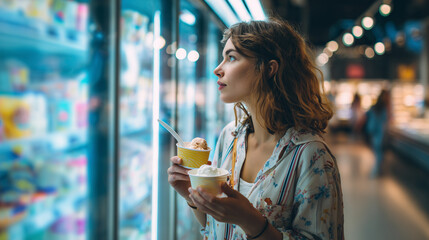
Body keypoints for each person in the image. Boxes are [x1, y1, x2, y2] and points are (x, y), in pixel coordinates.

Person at [168, 18, 344, 240]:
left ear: (268, 69)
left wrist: (250, 220)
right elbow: (215, 227)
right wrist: (193, 198)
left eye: (231, 57)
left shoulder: (312, 155)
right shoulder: (229, 137)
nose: (217, 69)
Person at [365, 89, 391, 176]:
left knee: (377, 151)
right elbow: (385, 121)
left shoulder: (374, 107)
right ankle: (377, 170)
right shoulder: (384, 108)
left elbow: (367, 114)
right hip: (380, 133)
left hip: (373, 131)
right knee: (379, 152)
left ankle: (378, 169)